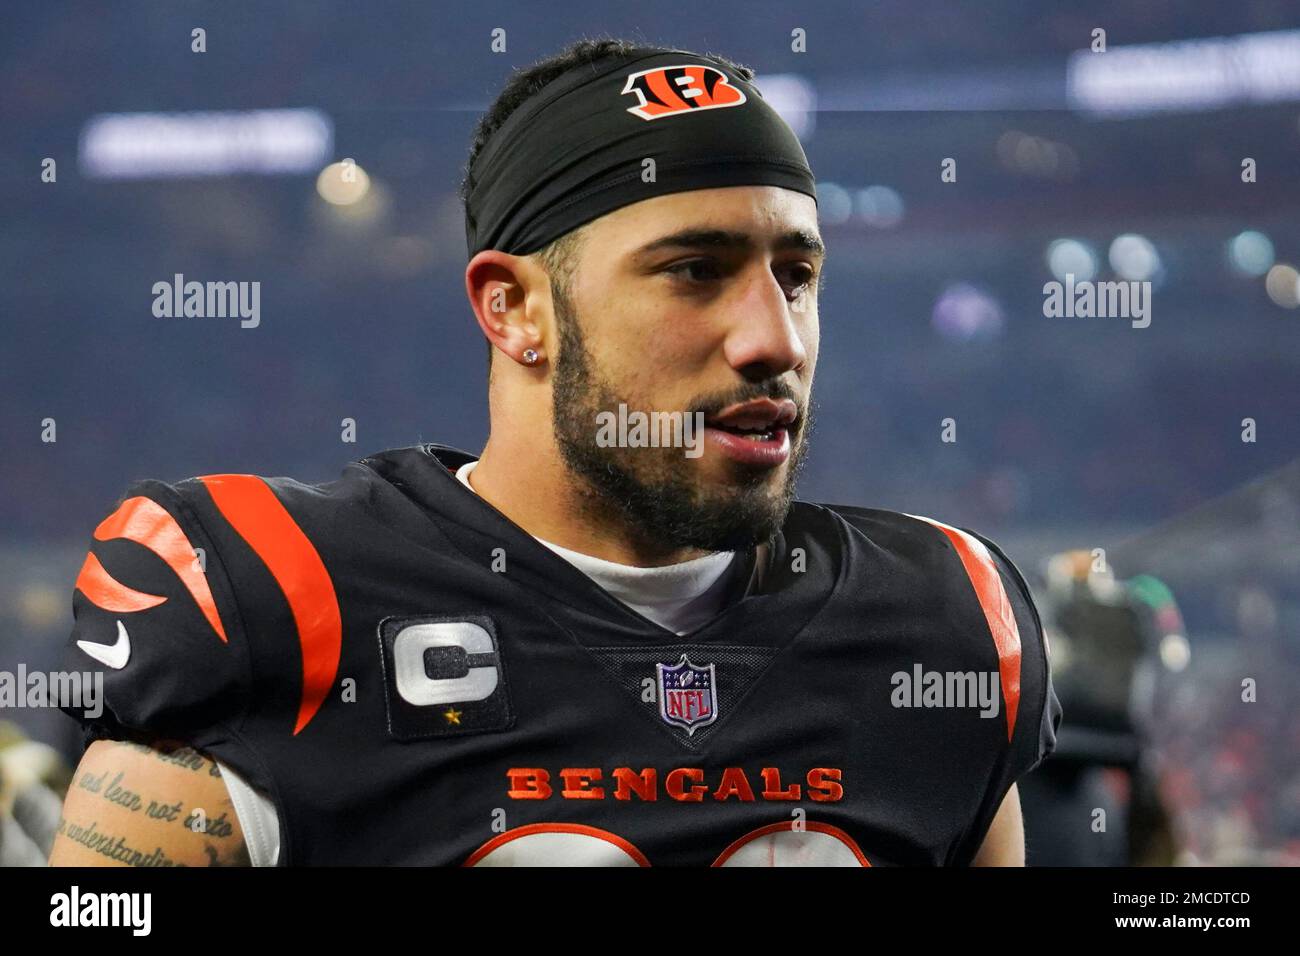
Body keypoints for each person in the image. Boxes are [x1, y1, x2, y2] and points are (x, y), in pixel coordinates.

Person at [49, 37, 1059, 867]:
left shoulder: (940, 621)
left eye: (794, 274)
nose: (775, 339)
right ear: (513, 308)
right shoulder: (276, 605)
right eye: (694, 271)